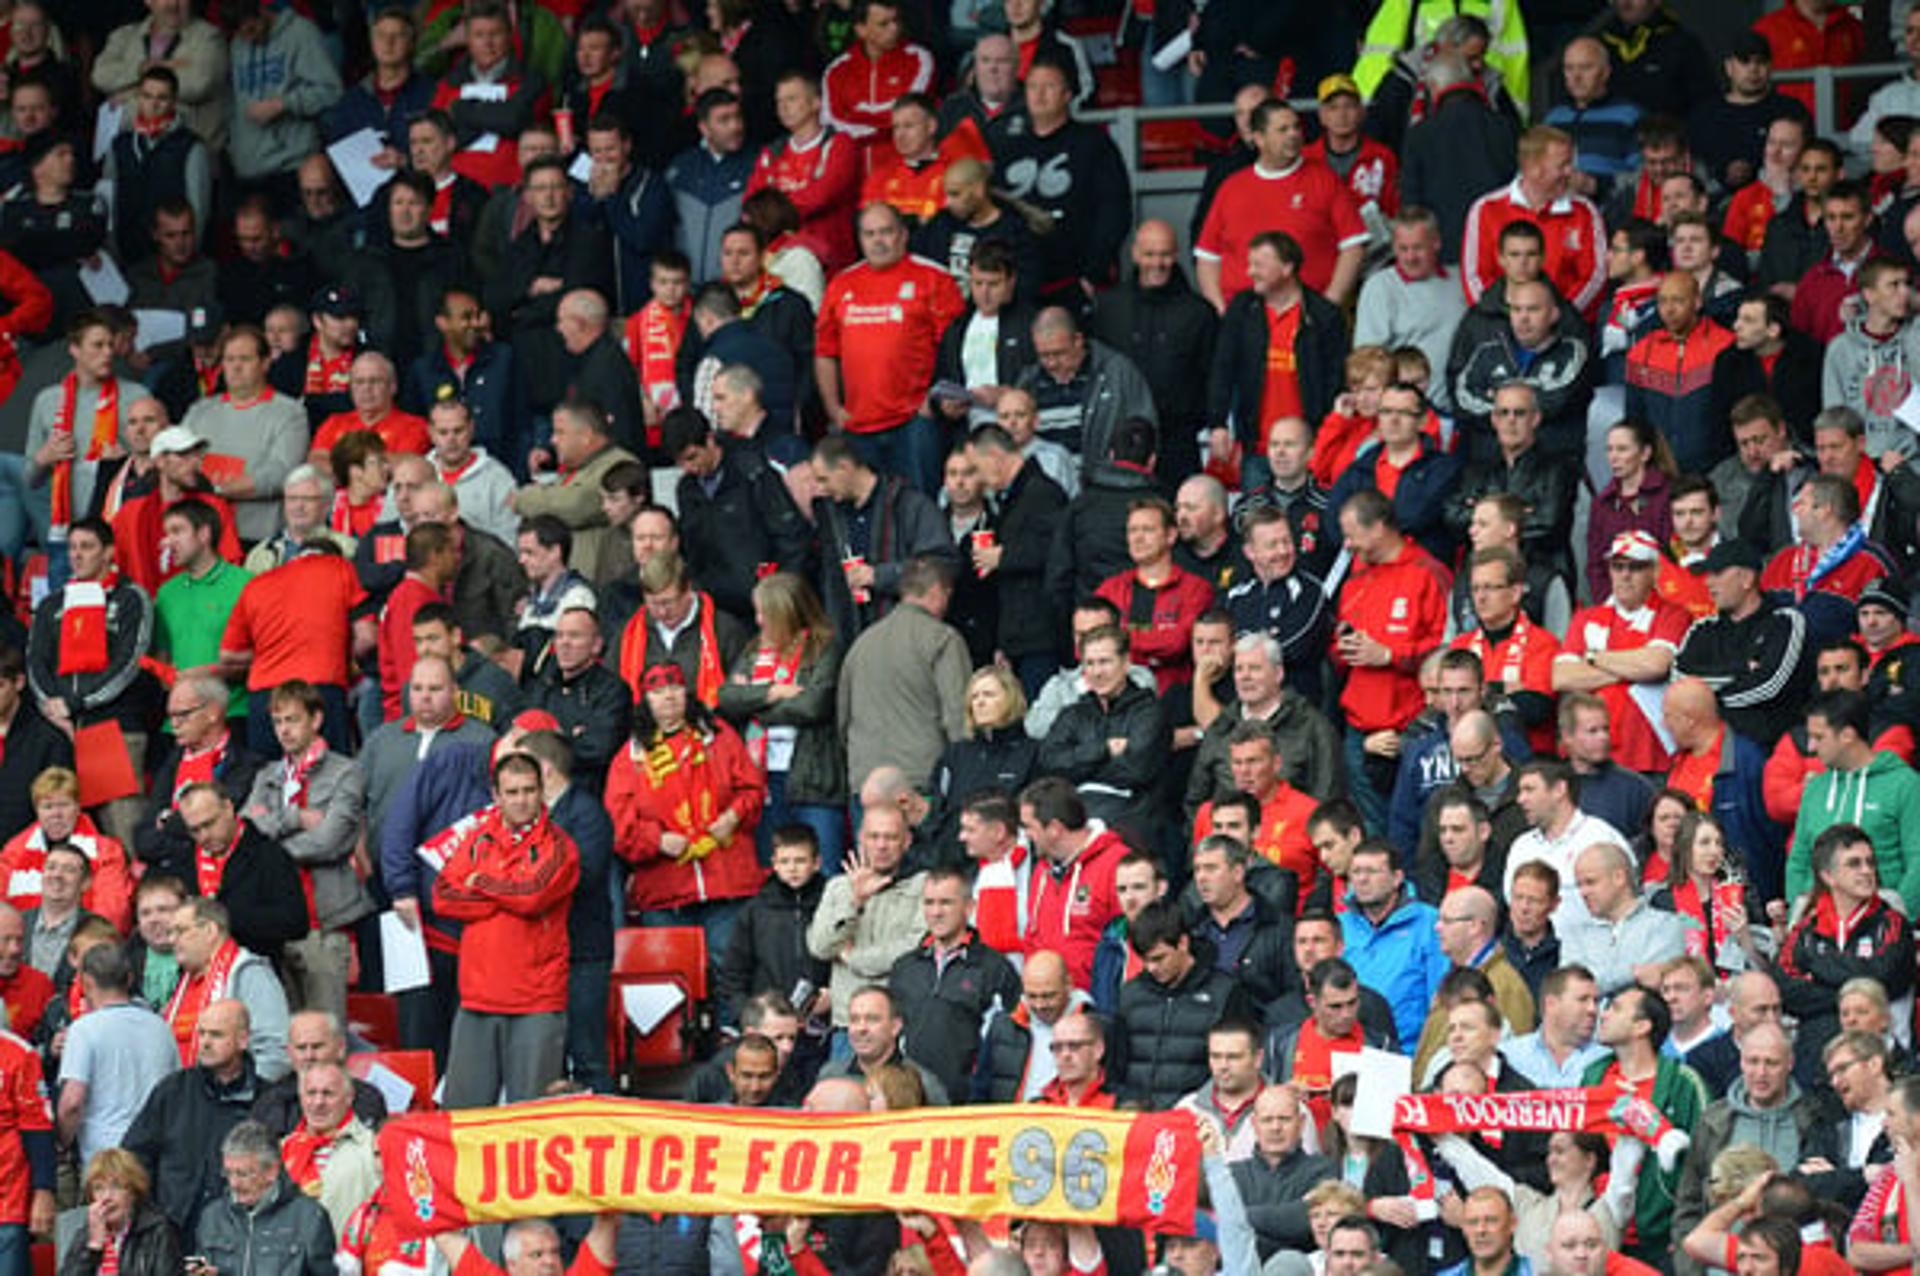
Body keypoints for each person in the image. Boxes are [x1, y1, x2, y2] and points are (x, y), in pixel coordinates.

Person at [433, 751, 578, 1108]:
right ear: (496, 796)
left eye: (529, 790)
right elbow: (443, 896)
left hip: (536, 1001)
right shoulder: (477, 838)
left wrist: (480, 880)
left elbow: (533, 896)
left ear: (542, 791)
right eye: (511, 792)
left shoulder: (560, 847)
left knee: (529, 1122)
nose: (521, 800)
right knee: (463, 1118)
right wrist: (505, 893)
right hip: (477, 996)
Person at [814, 202, 964, 494]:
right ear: (860, 239)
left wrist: (934, 398)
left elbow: (955, 348)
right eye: (870, 234)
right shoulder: (841, 284)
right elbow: (825, 352)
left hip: (914, 422)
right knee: (871, 517)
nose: (878, 241)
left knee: (920, 507)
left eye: (886, 232)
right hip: (858, 426)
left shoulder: (934, 278)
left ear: (903, 235)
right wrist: (833, 408)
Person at [1332, 490, 1451, 830]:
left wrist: (1389, 655)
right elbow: (1337, 644)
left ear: (1379, 528)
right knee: (1372, 830)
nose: (1346, 544)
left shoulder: (1427, 573)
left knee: (1415, 826)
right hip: (1358, 728)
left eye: (1352, 533)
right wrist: (1344, 647)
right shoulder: (1355, 578)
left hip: (1411, 727)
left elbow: (1448, 650)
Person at [1195, 101, 1367, 311]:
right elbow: (1208, 257)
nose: (1293, 134)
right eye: (1283, 130)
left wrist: (1329, 305)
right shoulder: (1231, 187)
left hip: (1308, 315)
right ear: (1259, 138)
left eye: (1296, 127)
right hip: (1245, 318)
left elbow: (1353, 246)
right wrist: (1220, 310)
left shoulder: (1325, 180)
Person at [1206, 232, 1347, 485]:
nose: (1250, 272)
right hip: (1257, 449)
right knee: (1255, 521)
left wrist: (1326, 439)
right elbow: (1222, 369)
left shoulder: (1323, 316)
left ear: (1287, 267)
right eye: (1250, 264)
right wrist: (1218, 423)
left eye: (1259, 264)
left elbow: (1337, 381)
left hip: (1310, 451)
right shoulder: (1242, 309)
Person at [121, 998, 261, 1244]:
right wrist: (151, 1218)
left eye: (216, 1035)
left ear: (242, 1040)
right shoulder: (172, 1090)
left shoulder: (266, 1100)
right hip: (171, 1236)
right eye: (202, 1033)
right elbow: (133, 1157)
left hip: (239, 1240)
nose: (205, 1042)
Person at [1673, 540, 1813, 746]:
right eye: (1707, 574)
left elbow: (1769, 686)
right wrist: (1741, 669)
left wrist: (1707, 702)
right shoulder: (1703, 629)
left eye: (1717, 574)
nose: (1708, 583)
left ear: (1747, 578)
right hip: (1707, 750)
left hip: (1767, 749)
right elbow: (1679, 678)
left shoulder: (1784, 622)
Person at [805, 805, 927, 1040]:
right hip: (847, 1024)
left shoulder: (923, 886)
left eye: (891, 837)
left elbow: (912, 951)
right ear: (861, 838)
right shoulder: (838, 887)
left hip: (902, 1024)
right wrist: (855, 903)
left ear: (907, 841)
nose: (881, 845)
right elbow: (820, 947)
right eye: (874, 836)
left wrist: (852, 957)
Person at [1463, 126, 1607, 320]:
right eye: (1562, 165)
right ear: (1532, 168)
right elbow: (1475, 276)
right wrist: (1508, 320)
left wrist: (1556, 317)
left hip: (1565, 330)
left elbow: (1594, 277)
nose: (1570, 172)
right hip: (1499, 330)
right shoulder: (1486, 209)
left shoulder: (1584, 212)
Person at [56, 942, 177, 1168]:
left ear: (87, 982)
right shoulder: (161, 1027)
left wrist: (62, 1143)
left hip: (104, 1157)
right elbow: (176, 1091)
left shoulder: (83, 1030)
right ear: (129, 979)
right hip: (156, 1153)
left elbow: (72, 1103)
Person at [195, 1119, 333, 1276]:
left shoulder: (310, 1218)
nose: (234, 1183)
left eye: (243, 1174)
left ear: (272, 1171)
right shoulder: (212, 1217)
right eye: (228, 1173)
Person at [62, 1149, 182, 1276]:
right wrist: (94, 1247)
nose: (107, 1197)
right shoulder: (84, 1236)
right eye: (98, 1188)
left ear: (133, 1192)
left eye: (116, 1186)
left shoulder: (158, 1232)